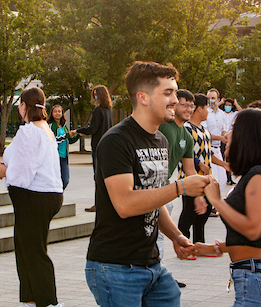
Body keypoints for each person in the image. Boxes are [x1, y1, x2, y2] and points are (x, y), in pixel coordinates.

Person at [85, 61, 209, 307]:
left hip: (152, 265)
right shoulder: (116, 141)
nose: (176, 100)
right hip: (116, 267)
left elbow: (153, 198)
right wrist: (181, 188)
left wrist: (176, 235)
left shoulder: (161, 140)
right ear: (143, 97)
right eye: (168, 93)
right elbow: (125, 204)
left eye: (175, 91)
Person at [191, 108, 261, 307]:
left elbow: (253, 229)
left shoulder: (259, 175)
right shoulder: (258, 173)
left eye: (233, 128)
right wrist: (218, 248)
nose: (227, 134)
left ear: (248, 135)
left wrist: (217, 202)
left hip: (259, 280)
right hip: (259, 276)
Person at [0, 87, 64, 307]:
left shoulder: (30, 131)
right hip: (46, 195)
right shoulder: (45, 129)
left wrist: (5, 171)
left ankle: (48, 302)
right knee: (27, 251)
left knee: (32, 253)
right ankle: (31, 299)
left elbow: (23, 174)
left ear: (24, 106)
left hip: (33, 196)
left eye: (19, 105)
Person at [157, 88, 207, 288]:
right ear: (174, 104)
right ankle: (156, 275)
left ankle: (159, 275)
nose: (189, 109)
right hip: (147, 188)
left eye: (191, 106)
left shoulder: (186, 134)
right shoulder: (161, 125)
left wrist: (199, 195)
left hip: (165, 188)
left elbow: (189, 170)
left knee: (159, 234)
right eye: (184, 104)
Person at [179, 93, 228, 243]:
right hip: (190, 179)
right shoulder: (186, 129)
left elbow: (209, 153)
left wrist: (224, 165)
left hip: (206, 179)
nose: (208, 111)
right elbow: (182, 153)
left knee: (204, 211)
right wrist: (199, 164)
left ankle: (199, 242)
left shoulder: (204, 130)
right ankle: (183, 241)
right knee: (189, 212)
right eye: (207, 107)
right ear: (199, 109)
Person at [76, 84, 113, 212]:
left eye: (96, 94)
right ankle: (107, 203)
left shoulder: (98, 111)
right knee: (104, 177)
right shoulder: (109, 111)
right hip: (107, 148)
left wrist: (78, 131)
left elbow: (93, 129)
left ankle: (98, 205)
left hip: (98, 147)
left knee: (98, 177)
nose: (94, 97)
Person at [48, 104, 79, 189]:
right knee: (55, 180)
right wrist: (67, 135)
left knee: (65, 180)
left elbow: (68, 140)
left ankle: (57, 198)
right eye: (55, 111)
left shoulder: (64, 126)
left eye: (59, 111)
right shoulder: (51, 126)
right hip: (55, 157)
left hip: (64, 157)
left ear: (62, 113)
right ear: (52, 113)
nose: (57, 113)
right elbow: (53, 140)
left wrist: (78, 135)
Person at [205, 89, 229, 195]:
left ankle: (215, 201)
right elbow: (206, 134)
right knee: (214, 179)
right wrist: (221, 138)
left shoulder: (222, 114)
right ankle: (213, 203)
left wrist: (226, 135)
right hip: (208, 148)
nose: (211, 101)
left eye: (213, 98)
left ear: (218, 100)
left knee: (223, 179)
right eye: (209, 98)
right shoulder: (205, 113)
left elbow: (224, 129)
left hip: (218, 149)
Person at [222, 98, 241, 185]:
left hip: (230, 138)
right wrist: (220, 103)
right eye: (226, 105)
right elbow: (211, 109)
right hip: (222, 137)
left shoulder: (234, 114)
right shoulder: (221, 113)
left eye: (229, 105)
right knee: (222, 158)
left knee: (229, 159)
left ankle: (229, 177)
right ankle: (225, 177)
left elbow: (241, 112)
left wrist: (236, 103)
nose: (227, 107)